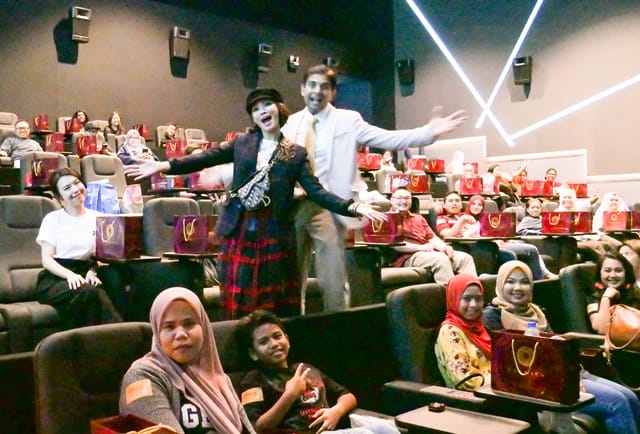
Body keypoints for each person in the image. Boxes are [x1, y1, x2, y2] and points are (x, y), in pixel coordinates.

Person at [124, 88, 386, 320]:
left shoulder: (295, 153)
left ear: (279, 109)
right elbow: (206, 158)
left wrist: (352, 206)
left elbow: (317, 192)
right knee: (240, 299)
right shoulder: (243, 143)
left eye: (267, 105)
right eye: (256, 109)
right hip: (240, 228)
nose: (262, 112)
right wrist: (164, 165)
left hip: (275, 232)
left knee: (275, 301)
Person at [282, 64, 467, 314]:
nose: (317, 91)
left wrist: (428, 133)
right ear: (303, 89)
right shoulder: (290, 124)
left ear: (333, 93)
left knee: (333, 279)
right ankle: (293, 329)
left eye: (324, 86)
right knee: (292, 279)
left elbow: (388, 138)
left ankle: (336, 327)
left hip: (330, 205)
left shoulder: (348, 120)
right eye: (312, 85)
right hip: (294, 206)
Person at [483, 261, 640, 434]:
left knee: (630, 396)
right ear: (500, 284)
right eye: (510, 281)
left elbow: (555, 348)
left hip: (570, 374)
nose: (518, 288)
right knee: (617, 403)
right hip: (544, 386)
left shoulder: (538, 311)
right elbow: (509, 365)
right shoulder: (493, 315)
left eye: (525, 282)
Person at [236, 310, 399, 434]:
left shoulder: (306, 368)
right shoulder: (254, 380)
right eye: (263, 342)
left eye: (277, 336)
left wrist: (336, 411)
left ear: (287, 339)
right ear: (253, 353)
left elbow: (347, 396)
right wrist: (290, 395)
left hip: (330, 431)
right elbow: (257, 427)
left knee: (385, 428)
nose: (274, 344)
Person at [120, 287, 256, 434]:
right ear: (158, 334)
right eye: (169, 327)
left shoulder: (220, 379)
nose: (180, 334)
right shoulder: (142, 377)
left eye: (189, 324)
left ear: (204, 327)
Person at [35, 167, 122, 329]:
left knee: (112, 285)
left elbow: (101, 256)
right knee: (87, 292)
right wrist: (70, 275)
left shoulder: (98, 217)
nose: (75, 189)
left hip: (86, 272)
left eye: (77, 183)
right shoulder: (52, 219)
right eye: (67, 188)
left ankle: (120, 337)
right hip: (57, 277)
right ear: (60, 198)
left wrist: (93, 270)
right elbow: (47, 260)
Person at [387, 188, 476, 284]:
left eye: (407, 198)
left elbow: (432, 237)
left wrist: (445, 248)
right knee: (440, 259)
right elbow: (396, 245)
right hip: (407, 256)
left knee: (465, 258)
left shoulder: (418, 218)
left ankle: (472, 290)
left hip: (427, 252)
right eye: (399, 198)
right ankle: (450, 292)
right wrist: (420, 248)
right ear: (392, 200)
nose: (404, 201)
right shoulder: (387, 219)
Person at [463, 194, 556, 280]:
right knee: (530, 250)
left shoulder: (486, 218)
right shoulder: (464, 218)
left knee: (531, 249)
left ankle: (535, 281)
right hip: (486, 246)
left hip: (501, 243)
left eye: (479, 205)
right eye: (473, 204)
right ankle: (539, 279)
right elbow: (466, 235)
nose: (476, 207)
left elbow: (497, 233)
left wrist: (504, 239)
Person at [434, 274, 491, 391]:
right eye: (467, 298)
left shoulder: (478, 327)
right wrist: (502, 381)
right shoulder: (450, 332)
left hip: (494, 390)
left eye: (478, 299)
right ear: (454, 299)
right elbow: (465, 380)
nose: (474, 304)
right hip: (472, 397)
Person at [588, 251, 639, 334]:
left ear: (626, 272)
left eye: (618, 270)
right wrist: (606, 298)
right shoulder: (593, 298)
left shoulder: (636, 293)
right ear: (599, 273)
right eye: (607, 271)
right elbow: (602, 330)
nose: (613, 275)